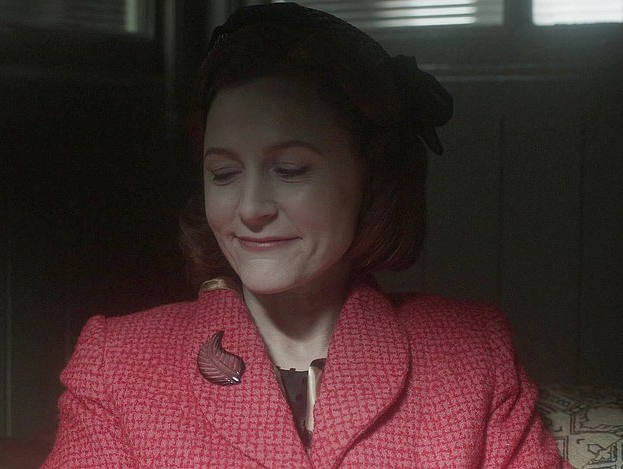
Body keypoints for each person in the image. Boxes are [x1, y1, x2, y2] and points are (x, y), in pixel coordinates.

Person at [42, 3, 569, 467]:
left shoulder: (471, 354)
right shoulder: (117, 362)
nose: (251, 208)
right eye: (223, 173)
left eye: (290, 170)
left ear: (370, 179)